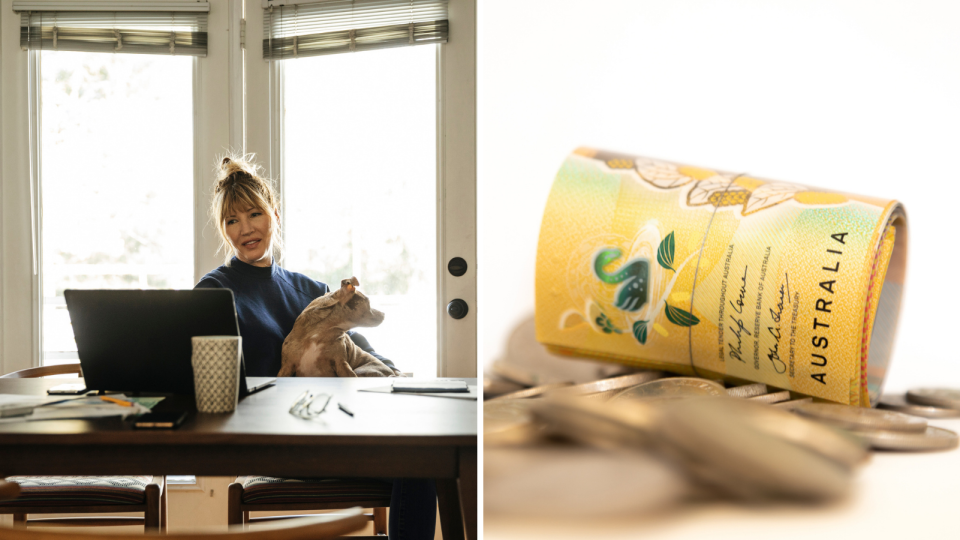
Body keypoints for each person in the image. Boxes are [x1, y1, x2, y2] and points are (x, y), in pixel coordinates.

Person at [195, 155, 436, 539]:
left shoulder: (312, 291)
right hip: (269, 441)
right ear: (223, 229)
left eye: (254, 214)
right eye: (231, 221)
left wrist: (397, 377)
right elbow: (207, 387)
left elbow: (365, 351)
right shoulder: (212, 292)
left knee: (427, 460)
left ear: (273, 212)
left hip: (331, 430)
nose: (245, 229)